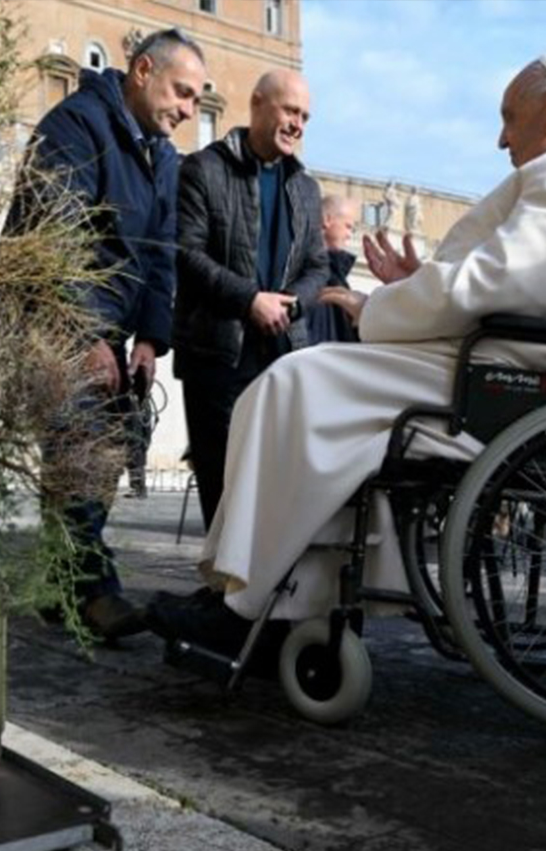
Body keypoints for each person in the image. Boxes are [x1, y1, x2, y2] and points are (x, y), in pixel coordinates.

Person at [147, 50, 546, 655]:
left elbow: (499, 282)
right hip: (496, 356)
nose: (501, 139)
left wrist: (383, 307)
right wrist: (420, 283)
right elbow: (509, 277)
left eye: (508, 118)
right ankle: (282, 597)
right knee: (301, 385)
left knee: (296, 383)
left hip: (509, 370)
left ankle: (253, 605)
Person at [3, 29, 206, 639]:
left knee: (102, 456)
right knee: (81, 449)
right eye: (182, 92)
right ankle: (94, 592)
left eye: (197, 99)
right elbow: (56, 237)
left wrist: (149, 338)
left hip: (110, 323)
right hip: (53, 318)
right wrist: (85, 332)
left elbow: (160, 252)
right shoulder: (75, 127)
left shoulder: (162, 155)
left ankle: (58, 586)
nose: (189, 110)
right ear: (142, 71)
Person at [172, 70, 329, 531]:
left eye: (305, 117)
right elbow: (186, 253)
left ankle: (266, 576)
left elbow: (317, 267)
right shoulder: (203, 168)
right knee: (223, 487)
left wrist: (290, 304)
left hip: (284, 357)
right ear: (257, 103)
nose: (297, 124)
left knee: (277, 489)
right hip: (217, 355)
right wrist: (249, 300)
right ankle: (222, 574)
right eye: (290, 110)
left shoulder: (306, 188)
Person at [307, 195, 360, 346]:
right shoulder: (305, 269)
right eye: (348, 226)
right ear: (327, 220)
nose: (349, 235)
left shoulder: (337, 275)